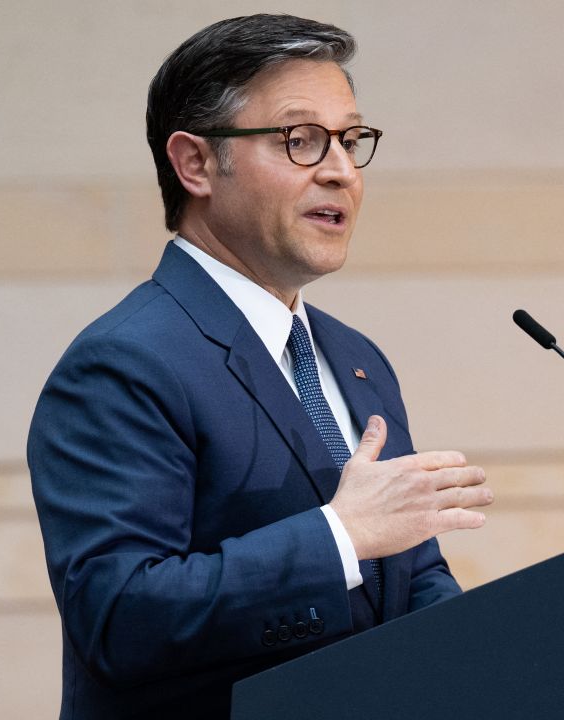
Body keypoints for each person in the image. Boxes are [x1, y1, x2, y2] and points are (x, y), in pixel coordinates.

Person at [27, 14, 493, 719]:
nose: (339, 169)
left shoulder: (356, 358)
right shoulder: (122, 364)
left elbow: (408, 573)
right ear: (195, 164)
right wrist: (340, 536)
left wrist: (490, 646)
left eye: (351, 139)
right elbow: (118, 618)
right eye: (300, 140)